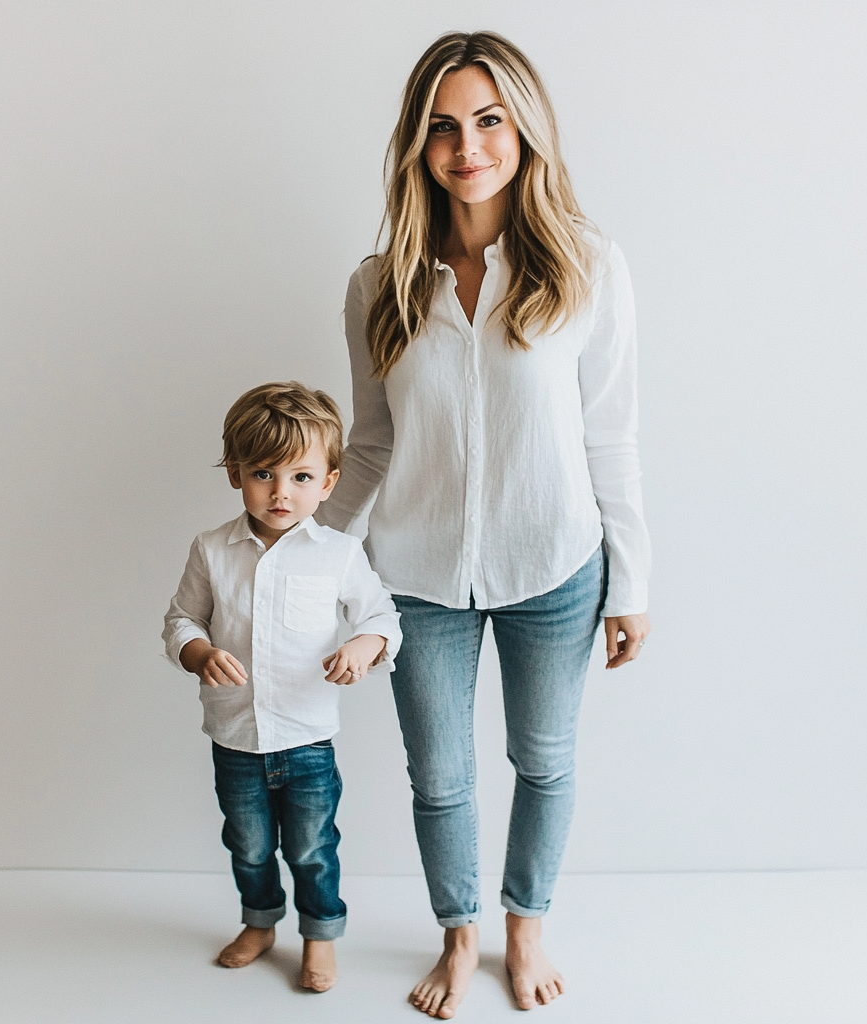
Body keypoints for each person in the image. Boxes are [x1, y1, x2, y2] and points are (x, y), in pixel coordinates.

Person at [314, 31, 651, 1017]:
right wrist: (309, 559)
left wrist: (632, 582)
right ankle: (459, 935)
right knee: (441, 772)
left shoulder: (589, 265)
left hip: (555, 564)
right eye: (444, 126)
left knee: (542, 759)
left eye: (490, 120)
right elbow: (369, 446)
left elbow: (612, 437)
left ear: (524, 129)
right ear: (417, 144)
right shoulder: (377, 287)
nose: (469, 146)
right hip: (414, 572)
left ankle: (524, 923)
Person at [162, 381, 402, 993]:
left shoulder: (340, 554)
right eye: (264, 473)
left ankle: (319, 937)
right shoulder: (212, 550)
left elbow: (382, 617)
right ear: (236, 474)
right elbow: (181, 618)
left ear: (328, 481)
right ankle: (261, 923)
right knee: (246, 845)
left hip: (307, 741)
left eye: (300, 476)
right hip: (236, 738)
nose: (280, 492)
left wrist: (363, 645)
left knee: (313, 848)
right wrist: (198, 650)